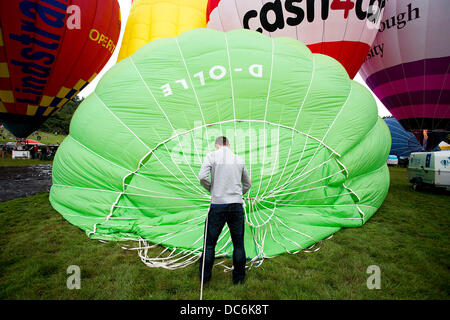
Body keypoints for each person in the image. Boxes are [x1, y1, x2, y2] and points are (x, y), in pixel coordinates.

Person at [198, 136, 251, 285]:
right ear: (228, 145)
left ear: (217, 145)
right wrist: (238, 195)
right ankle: (239, 280)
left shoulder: (212, 156)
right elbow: (248, 183)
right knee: (239, 243)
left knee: (209, 244)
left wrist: (213, 190)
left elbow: (202, 177)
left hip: (218, 205)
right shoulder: (238, 159)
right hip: (236, 206)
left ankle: (204, 278)